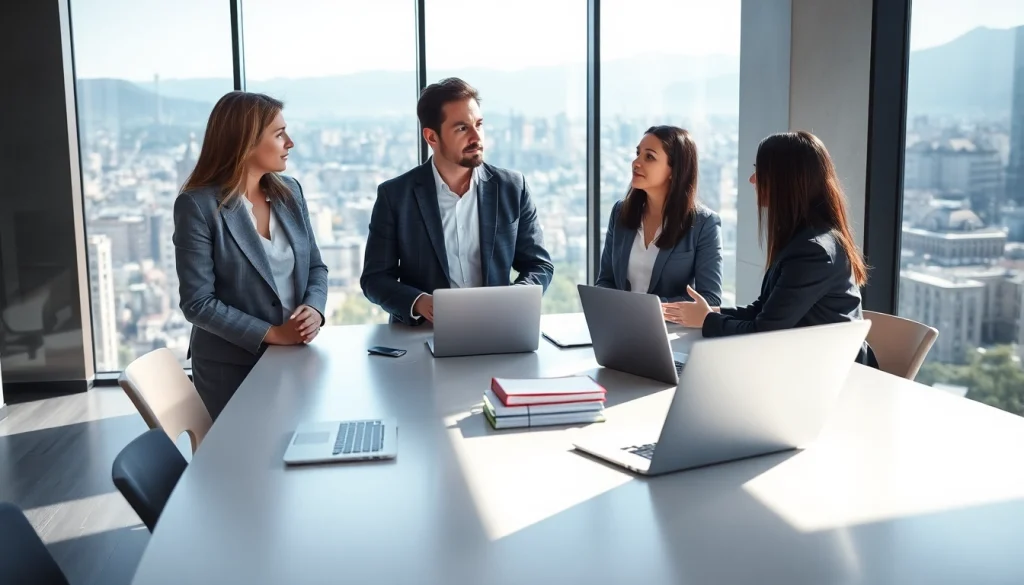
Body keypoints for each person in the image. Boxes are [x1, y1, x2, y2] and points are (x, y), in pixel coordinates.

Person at [173, 91, 328, 420]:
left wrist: (314, 308)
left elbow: (316, 266)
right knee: (246, 463)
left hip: (295, 358)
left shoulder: (290, 192)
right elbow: (197, 303)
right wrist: (273, 334)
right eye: (279, 134)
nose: (291, 142)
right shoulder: (198, 207)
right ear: (245, 142)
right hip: (231, 368)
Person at [662, 130, 878, 367]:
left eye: (760, 170)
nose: (752, 179)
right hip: (805, 362)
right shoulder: (805, 237)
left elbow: (764, 333)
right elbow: (764, 311)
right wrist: (712, 312)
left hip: (833, 375)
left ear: (786, 180)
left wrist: (708, 320)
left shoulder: (813, 252)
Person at [359, 77, 554, 325]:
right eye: (462, 128)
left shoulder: (512, 188)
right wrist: (419, 303)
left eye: (479, 125)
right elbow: (375, 279)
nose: (476, 137)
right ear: (431, 137)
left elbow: (539, 266)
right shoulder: (396, 196)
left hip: (497, 331)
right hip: (424, 334)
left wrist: (514, 299)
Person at [595, 125, 723, 305]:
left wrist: (649, 308)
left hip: (671, 330)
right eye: (637, 153)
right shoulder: (620, 212)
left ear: (674, 169)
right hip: (620, 325)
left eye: (649, 157)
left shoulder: (704, 223)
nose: (636, 162)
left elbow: (710, 299)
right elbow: (605, 280)